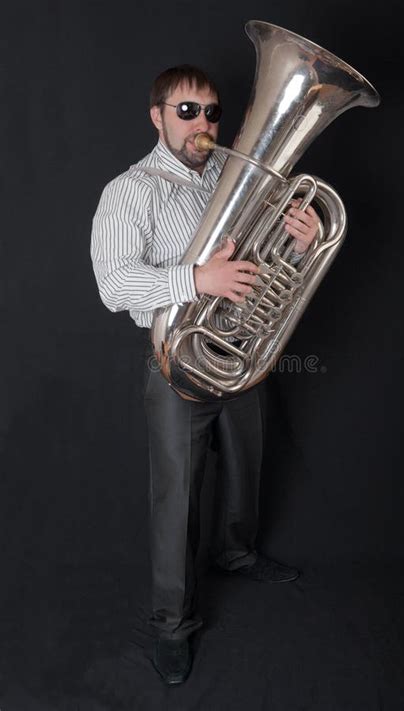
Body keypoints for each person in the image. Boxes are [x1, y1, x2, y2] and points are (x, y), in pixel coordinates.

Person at [90, 65, 321, 685]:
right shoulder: (129, 190)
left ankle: (237, 553)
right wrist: (196, 278)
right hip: (176, 363)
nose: (203, 124)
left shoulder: (232, 175)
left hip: (240, 352)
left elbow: (265, 261)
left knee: (247, 467)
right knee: (178, 500)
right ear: (157, 116)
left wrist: (300, 242)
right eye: (187, 111)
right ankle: (172, 625)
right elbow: (113, 285)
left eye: (212, 112)